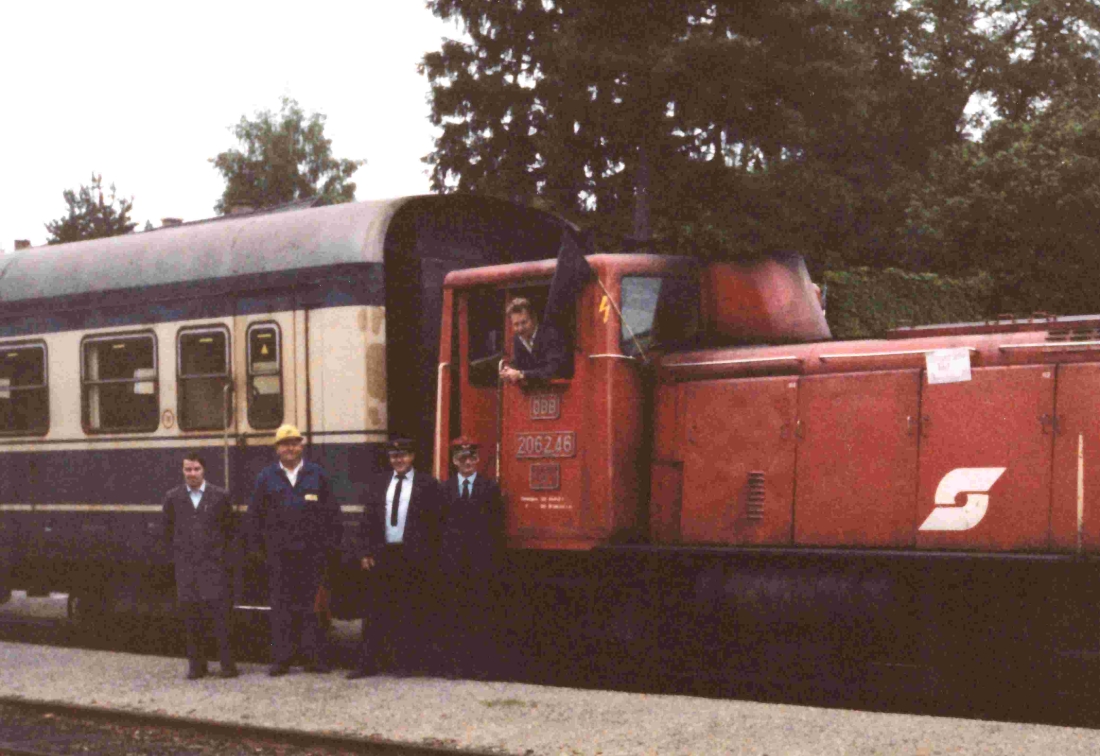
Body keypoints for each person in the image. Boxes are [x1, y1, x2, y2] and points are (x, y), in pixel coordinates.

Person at [246, 424, 341, 676]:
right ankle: (282, 660)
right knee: (281, 610)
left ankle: (314, 659)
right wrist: (257, 550)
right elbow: (254, 516)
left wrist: (330, 548)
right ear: (277, 449)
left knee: (313, 610)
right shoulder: (265, 477)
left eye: (294, 442)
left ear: (302, 446)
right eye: (284, 443)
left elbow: (332, 514)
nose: (290, 447)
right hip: (279, 556)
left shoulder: (316, 474)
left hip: (312, 556)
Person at [347, 437, 442, 679]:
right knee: (374, 611)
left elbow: (436, 523)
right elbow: (367, 520)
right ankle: (367, 663)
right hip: (382, 554)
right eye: (394, 456)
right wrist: (364, 551)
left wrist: (430, 556)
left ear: (412, 457)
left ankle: (405, 663)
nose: (398, 460)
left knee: (408, 610)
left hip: (412, 556)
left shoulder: (428, 484)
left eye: (403, 456)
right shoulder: (379, 482)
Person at [161, 452, 238, 680]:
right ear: (183, 471)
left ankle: (228, 665)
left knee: (221, 620)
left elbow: (230, 531)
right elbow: (167, 531)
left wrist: (225, 561)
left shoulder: (220, 496)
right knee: (192, 621)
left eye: (196, 469)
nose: (192, 474)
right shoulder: (173, 498)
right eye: (188, 470)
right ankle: (197, 666)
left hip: (215, 567)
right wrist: (177, 558)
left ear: (203, 471)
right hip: (187, 568)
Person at [438, 436, 505, 678]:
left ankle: (480, 667)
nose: (468, 462)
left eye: (472, 458)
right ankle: (454, 666)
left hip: (480, 563)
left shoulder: (490, 488)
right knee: (453, 614)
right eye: (462, 458)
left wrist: (493, 561)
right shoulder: (443, 489)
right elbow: (438, 526)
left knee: (480, 614)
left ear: (478, 460)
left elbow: (497, 527)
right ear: (455, 461)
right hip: (452, 563)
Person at [498, 297, 567, 385]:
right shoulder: (517, 339)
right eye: (516, 324)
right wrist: (508, 370)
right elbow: (519, 363)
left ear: (534, 318)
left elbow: (554, 370)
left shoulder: (550, 335)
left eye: (524, 322)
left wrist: (522, 374)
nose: (520, 328)